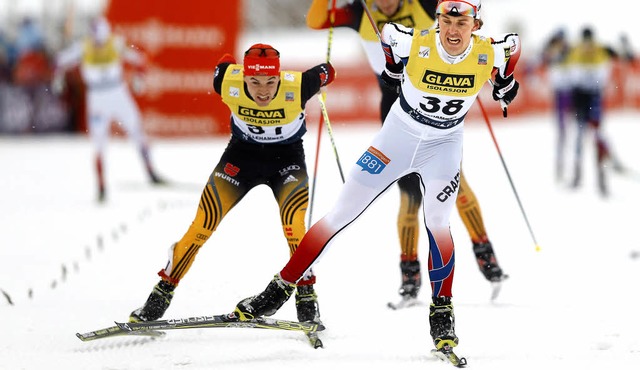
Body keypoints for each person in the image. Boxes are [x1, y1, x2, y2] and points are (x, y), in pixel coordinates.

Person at [235, 0, 520, 355]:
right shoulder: (413, 41)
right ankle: (277, 291)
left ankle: (442, 314)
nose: (452, 31)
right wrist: (391, 68)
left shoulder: (490, 51)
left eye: (461, 23)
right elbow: (388, 35)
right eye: (446, 21)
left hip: (444, 146)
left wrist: (506, 84)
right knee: (341, 213)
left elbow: (512, 49)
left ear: (475, 25)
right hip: (397, 139)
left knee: (437, 221)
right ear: (437, 20)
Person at [306, 0, 506, 306]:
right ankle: (410, 278)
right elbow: (315, 20)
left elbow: (459, 15)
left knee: (455, 189)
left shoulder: (423, 4)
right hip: (397, 112)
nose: (384, 4)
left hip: (441, 105)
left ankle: (486, 258)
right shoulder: (361, 12)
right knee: (410, 196)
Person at [128, 43, 336, 331]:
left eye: (270, 82)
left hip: (287, 161)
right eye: (255, 82)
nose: (263, 91)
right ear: (244, 77)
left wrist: (322, 78)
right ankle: (162, 293)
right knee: (202, 225)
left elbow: (328, 71)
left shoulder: (299, 85)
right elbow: (224, 62)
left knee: (294, 227)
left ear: (279, 77)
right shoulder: (226, 80)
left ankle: (306, 295)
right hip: (242, 157)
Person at [53, 16, 163, 202]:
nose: (98, 43)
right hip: (97, 97)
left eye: (100, 39)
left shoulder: (115, 43)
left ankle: (150, 171)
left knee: (136, 131)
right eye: (95, 39)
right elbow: (60, 61)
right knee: (99, 142)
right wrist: (57, 77)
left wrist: (139, 79)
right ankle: (101, 186)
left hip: (117, 93)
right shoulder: (84, 46)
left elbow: (140, 60)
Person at [565, 26, 621, 197]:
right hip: (581, 98)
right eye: (585, 41)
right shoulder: (576, 50)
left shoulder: (599, 49)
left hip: (594, 98)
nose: (588, 46)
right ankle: (577, 175)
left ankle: (602, 180)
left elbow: (615, 54)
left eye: (590, 41)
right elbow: (561, 59)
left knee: (597, 136)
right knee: (580, 138)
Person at [541, 28, 572, 182]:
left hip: (570, 92)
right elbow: (542, 57)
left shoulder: (568, 50)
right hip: (559, 93)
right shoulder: (551, 51)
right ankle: (561, 167)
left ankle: (570, 165)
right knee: (562, 131)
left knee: (575, 127)